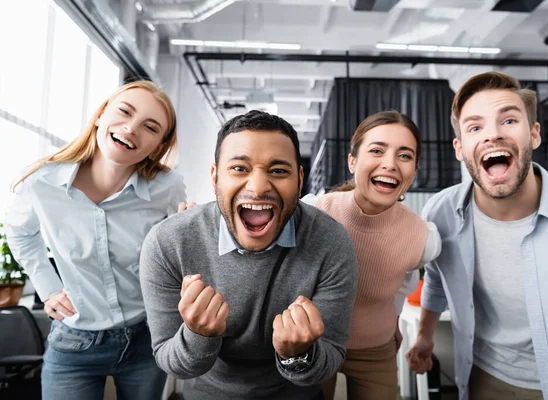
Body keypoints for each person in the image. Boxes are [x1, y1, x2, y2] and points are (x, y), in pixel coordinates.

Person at [406, 71, 548, 400]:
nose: (493, 135)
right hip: (484, 378)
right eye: (475, 127)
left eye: (509, 120)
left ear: (534, 134)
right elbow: (438, 278)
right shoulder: (442, 212)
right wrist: (424, 335)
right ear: (459, 147)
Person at [138, 110, 359, 400]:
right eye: (239, 169)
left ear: (300, 179)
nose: (257, 188)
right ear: (215, 176)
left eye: (278, 171)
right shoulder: (168, 242)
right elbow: (171, 362)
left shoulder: (331, 242)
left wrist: (297, 354)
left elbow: (329, 359)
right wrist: (199, 335)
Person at [5, 80, 186, 400]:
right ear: (101, 114)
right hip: (74, 342)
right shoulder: (42, 181)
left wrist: (189, 230)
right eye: (124, 112)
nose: (131, 129)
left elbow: (175, 255)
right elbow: (21, 233)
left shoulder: (167, 187)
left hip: (147, 338)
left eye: (150, 127)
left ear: (157, 146)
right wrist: (47, 286)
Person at [307, 111, 441, 400]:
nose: (390, 164)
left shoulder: (422, 237)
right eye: (377, 151)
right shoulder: (317, 213)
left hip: (376, 350)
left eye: (404, 156)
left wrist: (393, 323)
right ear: (352, 161)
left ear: (414, 170)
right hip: (315, 344)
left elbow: (400, 287)